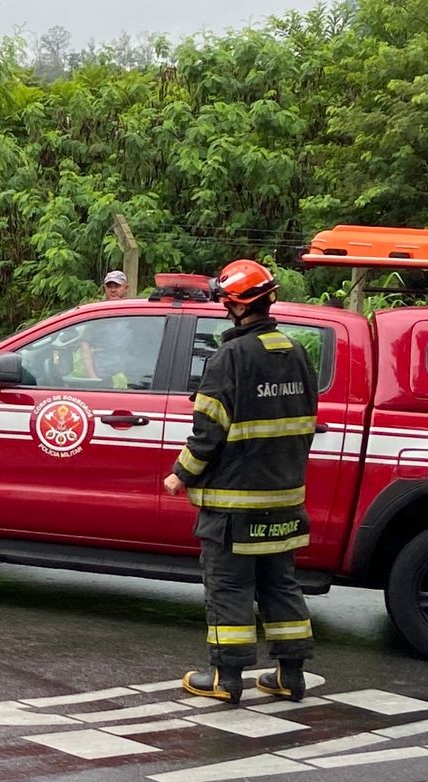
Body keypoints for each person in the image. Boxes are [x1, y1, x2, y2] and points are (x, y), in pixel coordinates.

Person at [163, 259, 318, 703]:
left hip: (233, 506)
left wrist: (180, 475)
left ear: (234, 304)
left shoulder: (230, 357)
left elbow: (208, 432)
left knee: (229, 587)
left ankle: (226, 680)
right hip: (285, 500)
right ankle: (290, 677)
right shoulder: (296, 352)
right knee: (280, 585)